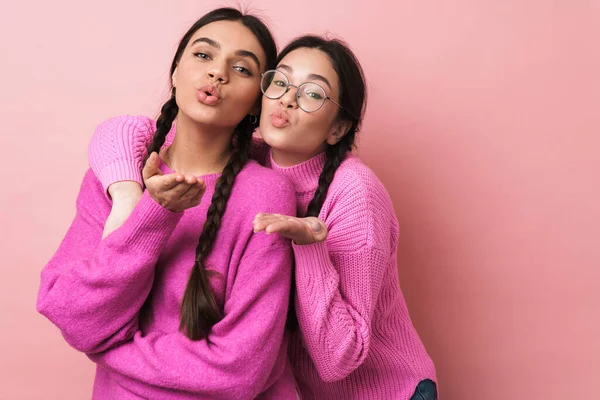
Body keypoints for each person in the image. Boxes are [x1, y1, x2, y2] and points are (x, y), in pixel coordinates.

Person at [89, 35, 438, 399]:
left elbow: (338, 360)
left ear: (338, 129)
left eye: (313, 94)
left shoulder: (355, 194)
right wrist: (126, 195)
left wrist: (309, 248)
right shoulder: (251, 155)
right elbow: (122, 131)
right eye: (280, 81)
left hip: (384, 392)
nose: (288, 98)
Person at [36, 8, 300, 399]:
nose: (218, 74)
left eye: (242, 69)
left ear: (255, 104)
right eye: (203, 55)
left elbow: (240, 371)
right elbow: (71, 312)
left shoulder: (267, 195)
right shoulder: (116, 175)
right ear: (175, 72)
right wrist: (151, 214)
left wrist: (108, 345)